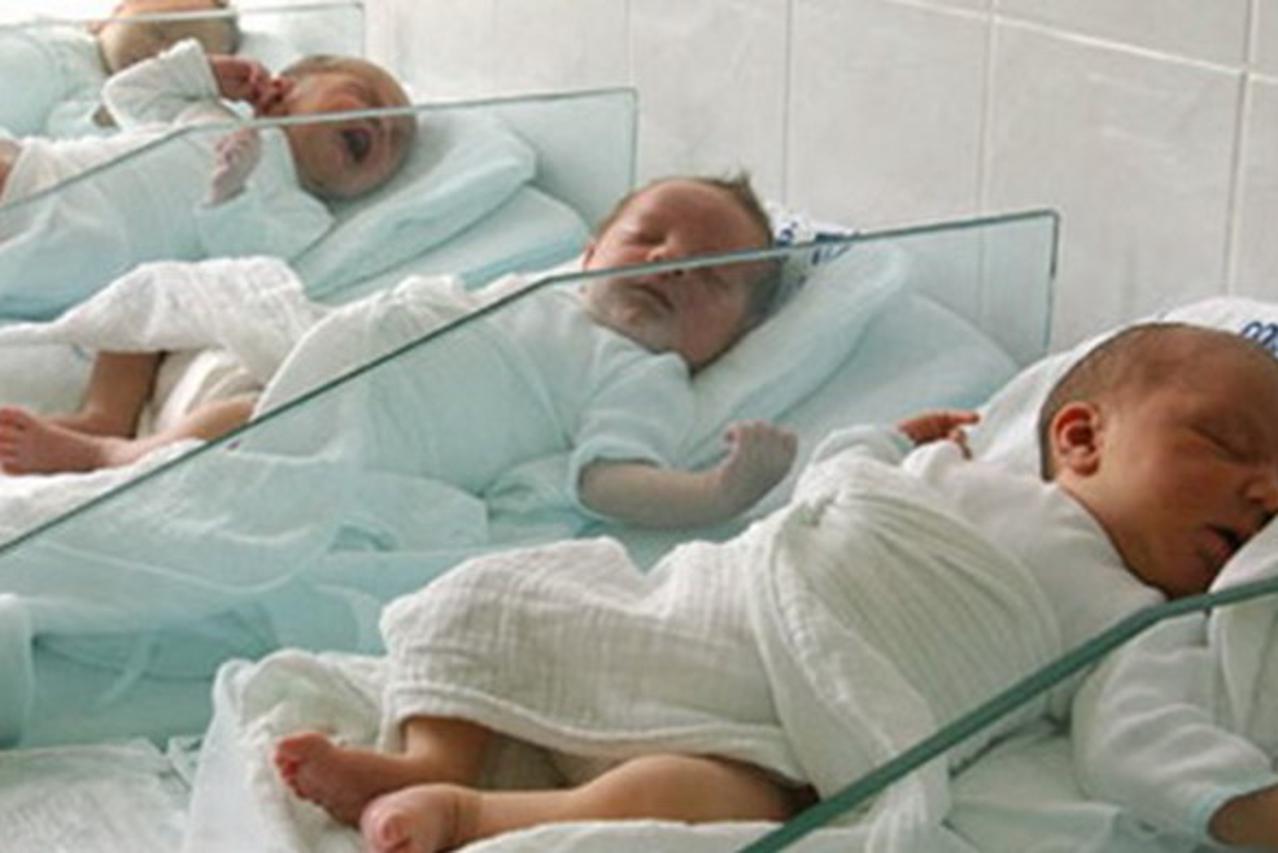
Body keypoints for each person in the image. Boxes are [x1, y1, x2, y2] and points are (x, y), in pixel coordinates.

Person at [265, 323, 1278, 851]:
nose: (1264, 490)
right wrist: (887, 438)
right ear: (1082, 436)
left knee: (709, 802)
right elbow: (833, 485)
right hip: (721, 610)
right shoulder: (964, 474)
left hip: (808, 723)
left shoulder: (1141, 621)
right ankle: (427, 754)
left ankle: (472, 815)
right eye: (1230, 447)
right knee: (497, 594)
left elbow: (1142, 742)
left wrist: (1246, 808)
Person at [0, 175, 799, 530]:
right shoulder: (553, 288)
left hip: (380, 429)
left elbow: (607, 479)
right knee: (176, 294)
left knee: (244, 426)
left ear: (730, 341)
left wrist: (713, 494)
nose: (671, 264)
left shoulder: (641, 374)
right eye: (647, 237)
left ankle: (110, 455)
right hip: (335, 350)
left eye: (713, 276)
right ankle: (106, 407)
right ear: (589, 251)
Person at [0, 39, 416, 318]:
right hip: (54, 170)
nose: (385, 126)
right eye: (367, 100)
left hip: (88, 245)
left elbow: (246, 255)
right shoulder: (207, 114)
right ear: (282, 91)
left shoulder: (305, 212)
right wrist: (203, 74)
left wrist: (231, 194)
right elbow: (125, 94)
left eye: (395, 143)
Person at [0, 0, 240, 138]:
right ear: (117, 12)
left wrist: (114, 113)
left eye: (175, 58)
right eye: (157, 31)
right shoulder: (52, 26)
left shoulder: (104, 94)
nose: (157, 54)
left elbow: (66, 129)